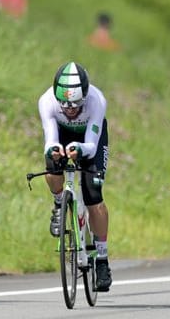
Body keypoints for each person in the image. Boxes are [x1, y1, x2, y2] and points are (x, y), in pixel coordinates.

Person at [37, 61, 112, 291]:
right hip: (62, 134)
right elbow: (50, 138)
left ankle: (101, 260)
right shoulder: (46, 101)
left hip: (90, 141)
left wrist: (81, 149)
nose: (70, 109)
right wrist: (53, 149)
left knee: (93, 195)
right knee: (52, 163)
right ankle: (59, 203)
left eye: (76, 104)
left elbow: (91, 142)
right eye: (65, 104)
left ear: (86, 96)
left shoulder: (97, 101)